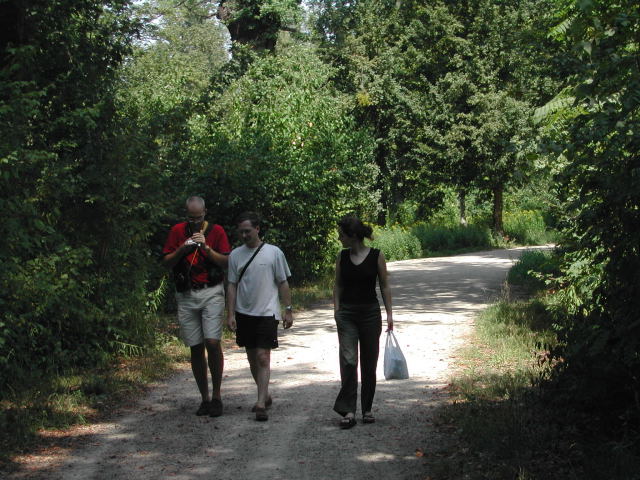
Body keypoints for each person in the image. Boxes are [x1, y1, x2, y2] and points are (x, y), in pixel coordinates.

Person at [162, 196, 230, 417]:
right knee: (195, 346)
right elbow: (166, 262)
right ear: (186, 215)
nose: (195, 222)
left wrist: (206, 248)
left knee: (212, 342)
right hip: (187, 294)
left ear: (205, 213)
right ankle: (205, 398)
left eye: (198, 218)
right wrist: (182, 249)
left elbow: (226, 262)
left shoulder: (216, 231)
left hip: (212, 291)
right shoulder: (177, 231)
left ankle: (217, 396)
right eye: (191, 218)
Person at [226, 212, 293, 421]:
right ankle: (265, 394)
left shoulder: (274, 253)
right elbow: (231, 285)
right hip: (244, 312)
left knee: (263, 356)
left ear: (257, 229)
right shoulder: (235, 255)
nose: (244, 235)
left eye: (247, 231)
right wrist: (230, 313)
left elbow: (283, 282)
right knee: (252, 357)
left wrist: (288, 309)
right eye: (241, 232)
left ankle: (260, 403)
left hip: (267, 312)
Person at [333, 214, 393, 429]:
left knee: (369, 362)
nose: (339, 238)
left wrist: (389, 314)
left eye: (341, 235)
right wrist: (337, 310)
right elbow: (338, 285)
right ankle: (348, 410)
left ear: (353, 236)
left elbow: (384, 285)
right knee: (349, 361)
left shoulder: (377, 255)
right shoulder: (342, 256)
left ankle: (367, 409)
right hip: (347, 314)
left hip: (370, 314)